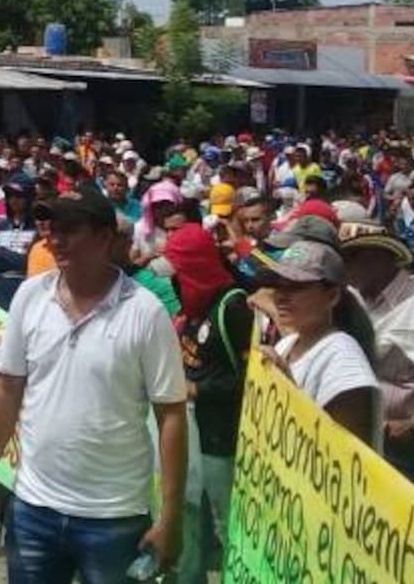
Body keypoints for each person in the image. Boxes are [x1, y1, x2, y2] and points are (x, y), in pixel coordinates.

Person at [0, 189, 187, 584]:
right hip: (33, 509)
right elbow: (6, 388)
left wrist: (170, 518)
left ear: (105, 237)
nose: (54, 238)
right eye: (51, 228)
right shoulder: (30, 297)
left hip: (114, 518)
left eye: (70, 229)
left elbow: (171, 415)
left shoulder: (145, 313)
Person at [167, 223, 251, 584]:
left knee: (226, 519)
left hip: (222, 438)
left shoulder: (233, 307)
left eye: (180, 270)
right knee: (188, 510)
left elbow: (250, 381)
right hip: (191, 429)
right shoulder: (193, 305)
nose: (174, 279)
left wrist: (198, 390)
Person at [341, 227, 414, 480]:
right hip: (361, 432)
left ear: (376, 258)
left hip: (408, 444)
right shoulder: (351, 299)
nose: (344, 268)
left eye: (349, 259)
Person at [258, 239, 380, 446]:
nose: (281, 297)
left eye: (295, 287)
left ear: (332, 296)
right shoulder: (286, 344)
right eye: (278, 286)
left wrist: (287, 390)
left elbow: (343, 453)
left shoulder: (342, 358)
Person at [0, 175, 36, 310]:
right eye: (10, 195)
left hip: (29, 289)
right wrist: (17, 260)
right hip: (1, 288)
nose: (14, 200)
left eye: (19, 195)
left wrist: (1, 251)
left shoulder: (37, 228)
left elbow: (29, 263)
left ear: (29, 197)